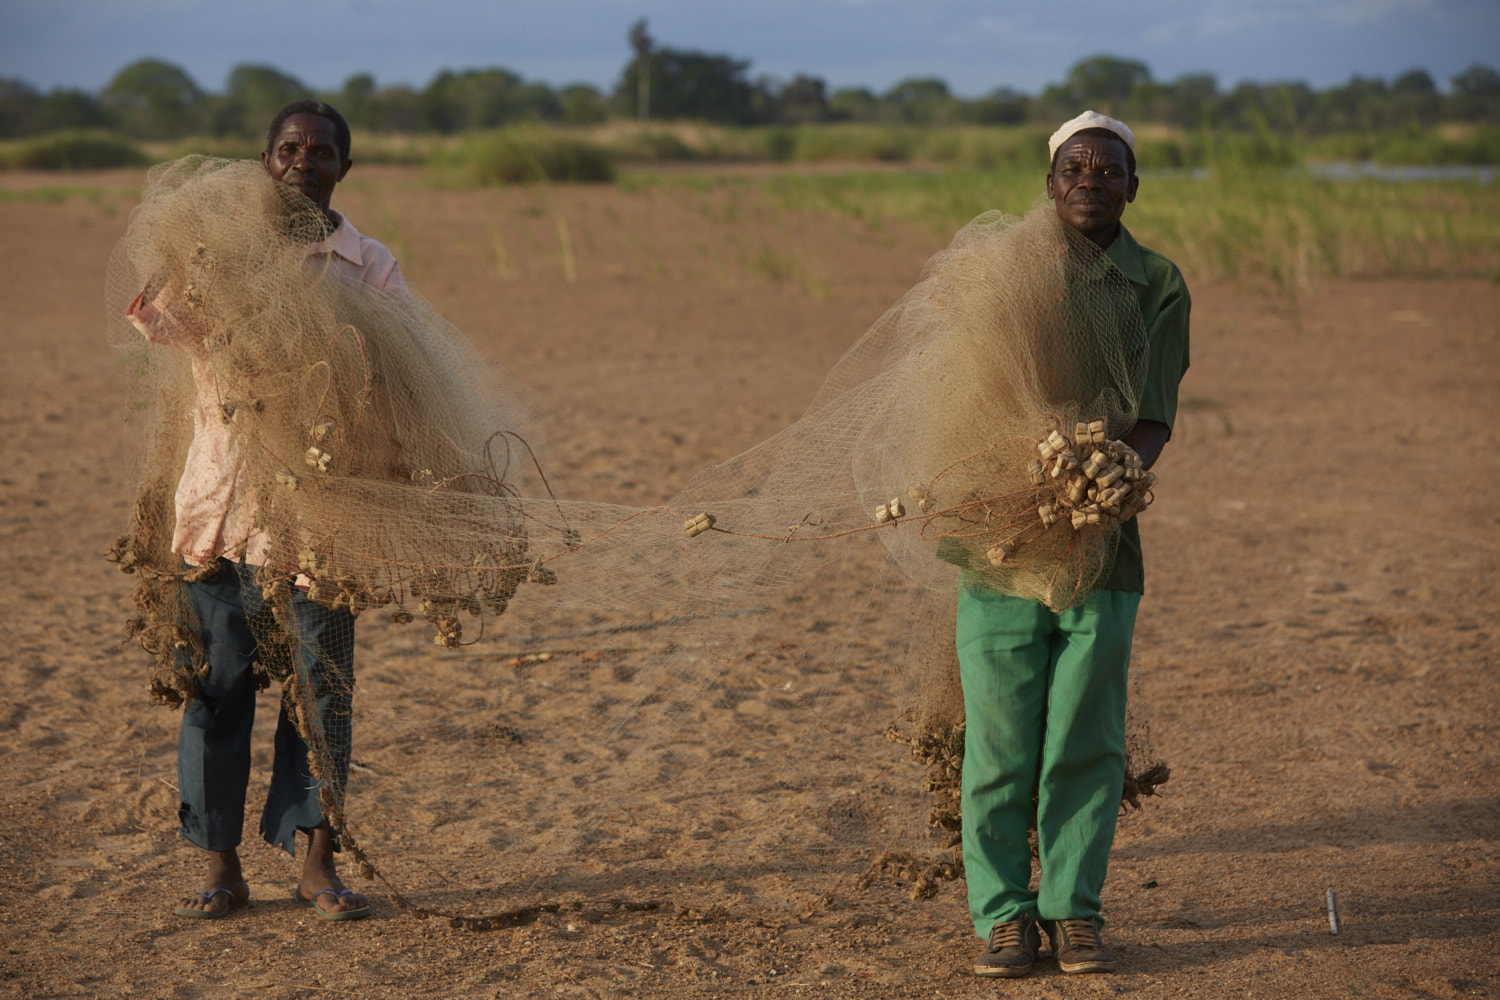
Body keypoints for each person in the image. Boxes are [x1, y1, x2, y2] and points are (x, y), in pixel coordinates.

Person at [126, 100, 407, 921]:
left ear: (344, 169)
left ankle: (317, 863)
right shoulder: (220, 256)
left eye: (322, 151)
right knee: (215, 688)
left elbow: (404, 368)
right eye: (289, 148)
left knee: (324, 691)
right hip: (220, 508)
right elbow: (153, 318)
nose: (304, 161)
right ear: (265, 159)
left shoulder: (368, 264)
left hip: (328, 521)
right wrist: (190, 244)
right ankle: (220, 867)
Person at [961, 111, 1190, 977]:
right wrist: (1024, 489)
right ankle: (1003, 916)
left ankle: (1075, 913)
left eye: (1109, 169)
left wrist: (1100, 488)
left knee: (1087, 740)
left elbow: (1156, 414)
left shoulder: (1158, 283)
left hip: (1103, 542)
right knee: (999, 743)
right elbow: (967, 401)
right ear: (1050, 184)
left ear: (1134, 187)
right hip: (998, 544)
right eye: (1074, 168)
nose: (1090, 179)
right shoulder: (1002, 277)